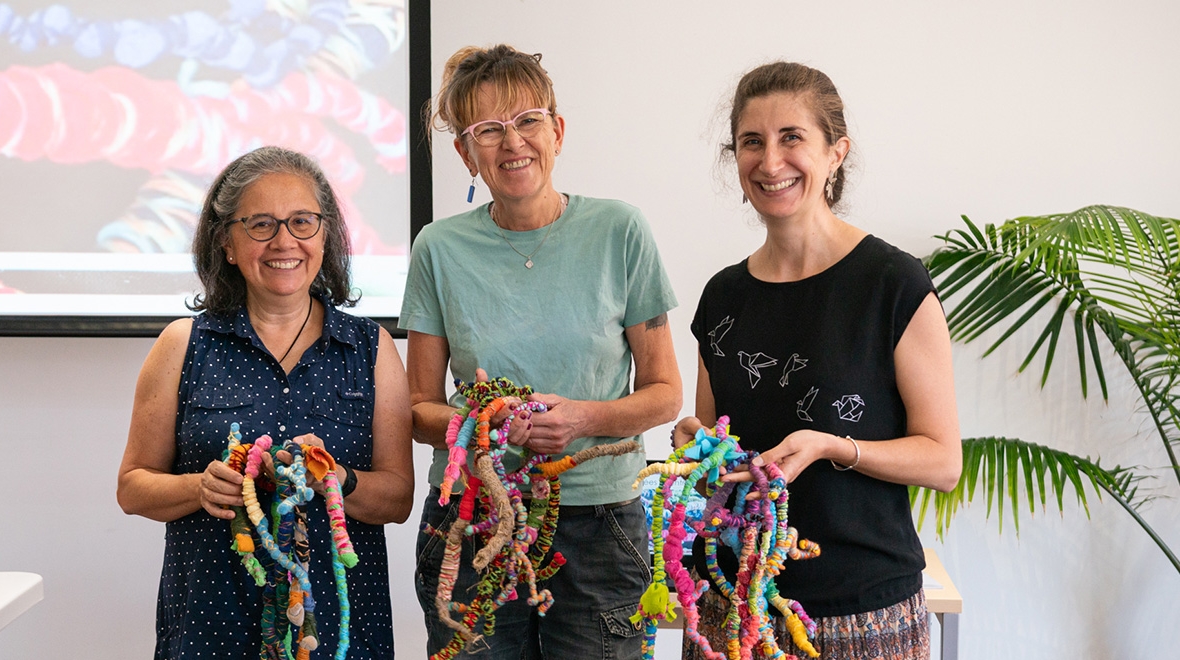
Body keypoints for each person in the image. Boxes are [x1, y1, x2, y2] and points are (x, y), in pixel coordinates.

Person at [401, 44, 683, 658]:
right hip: (472, 520)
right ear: (464, 152)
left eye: (527, 120)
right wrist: (490, 427)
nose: (512, 142)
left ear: (557, 130)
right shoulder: (437, 248)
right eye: (488, 129)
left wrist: (581, 418)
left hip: (600, 522)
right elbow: (419, 411)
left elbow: (665, 394)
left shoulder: (620, 231)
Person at [675, 62, 962, 660]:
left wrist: (836, 446)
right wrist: (694, 444)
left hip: (864, 614)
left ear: (836, 153)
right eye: (752, 141)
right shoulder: (722, 296)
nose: (770, 161)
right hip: (733, 607)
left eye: (792, 138)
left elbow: (942, 461)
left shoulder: (893, 284)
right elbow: (713, 440)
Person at [116, 145, 414, 660]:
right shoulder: (182, 344)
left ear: (325, 236)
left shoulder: (371, 348)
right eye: (260, 225)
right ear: (227, 243)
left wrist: (338, 479)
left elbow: (398, 499)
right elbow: (132, 486)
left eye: (302, 222)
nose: (284, 242)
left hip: (339, 631)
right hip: (211, 623)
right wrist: (199, 487)